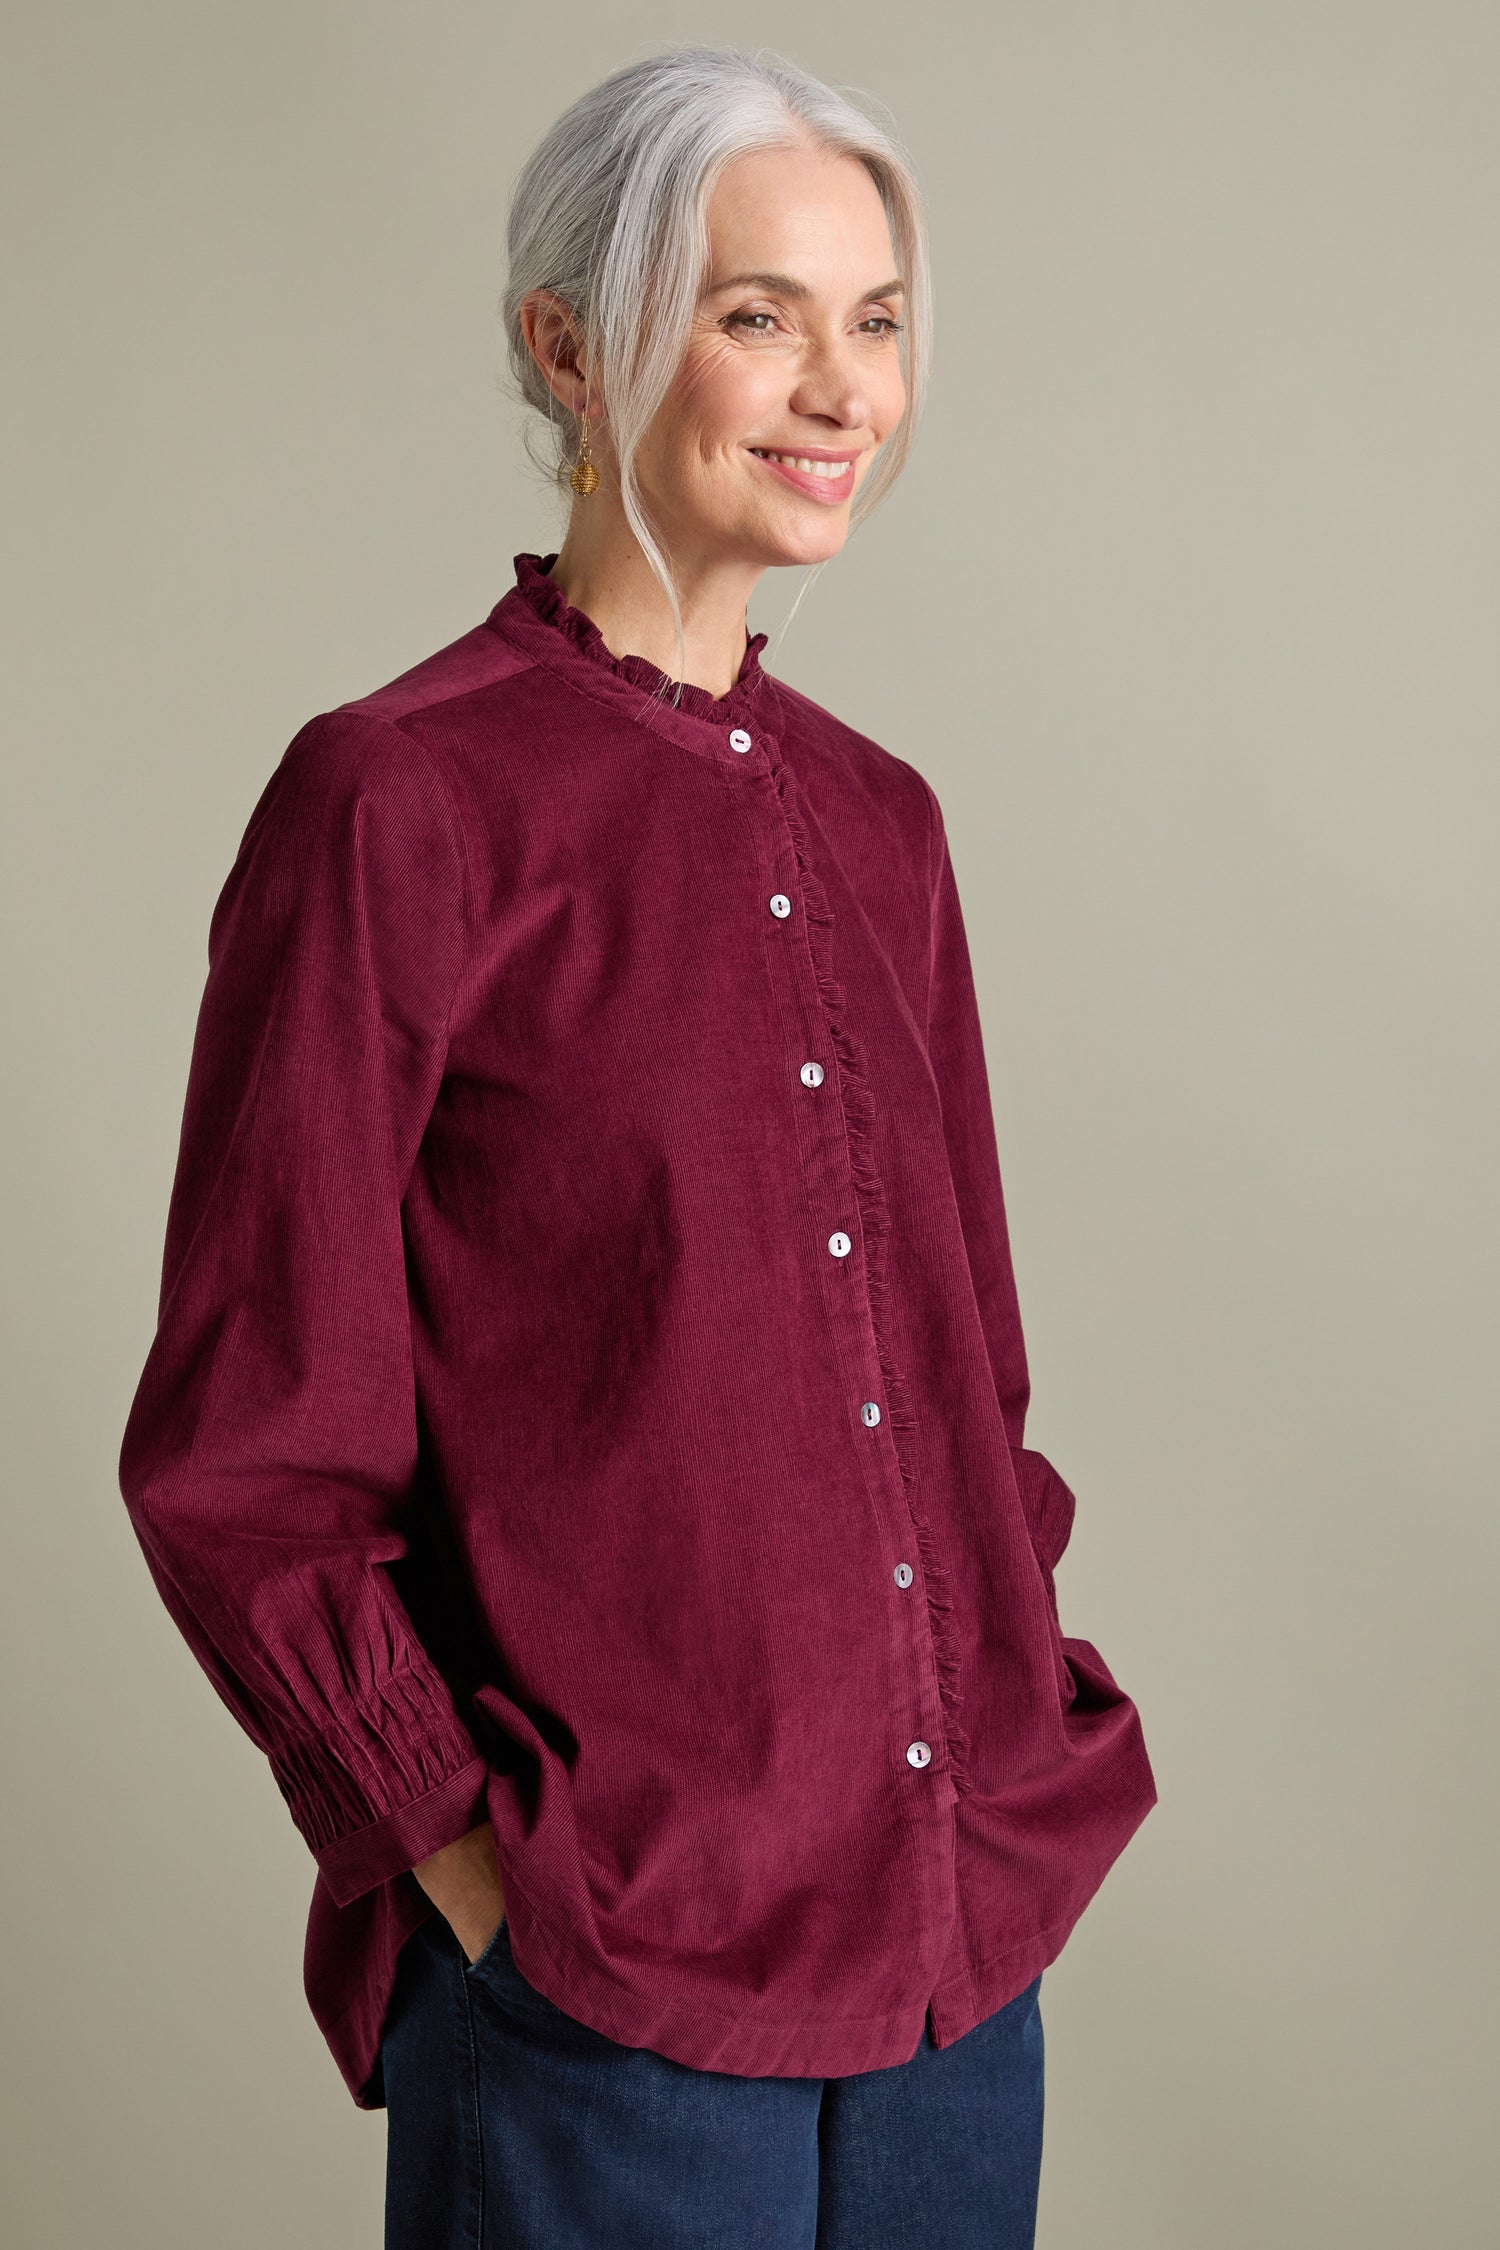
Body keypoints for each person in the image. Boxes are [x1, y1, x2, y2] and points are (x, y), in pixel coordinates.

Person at [119, 42, 1157, 2249]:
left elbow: (969, 1389)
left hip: (959, 1984)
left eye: (874, 320)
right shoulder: (394, 802)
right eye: (755, 310)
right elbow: (244, 1457)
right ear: (569, 341)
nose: (840, 387)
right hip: (610, 2000)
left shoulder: (885, 824)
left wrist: (997, 1698)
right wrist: (478, 1886)